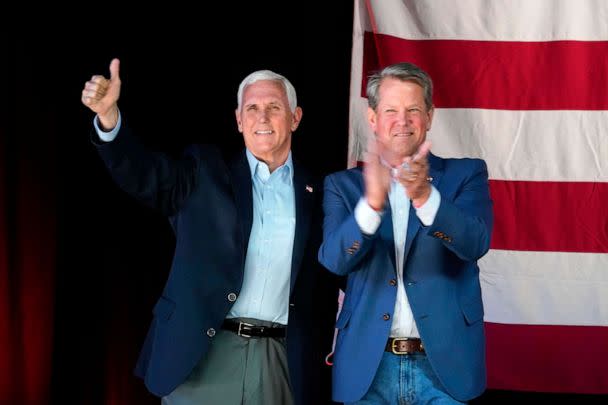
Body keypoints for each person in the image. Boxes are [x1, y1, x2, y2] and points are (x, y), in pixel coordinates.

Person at [81, 58, 339, 405]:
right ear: (238, 120)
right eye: (252, 108)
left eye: (274, 107)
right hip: (204, 351)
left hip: (280, 360)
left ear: (295, 118)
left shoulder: (320, 192)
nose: (262, 117)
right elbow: (145, 176)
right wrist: (110, 120)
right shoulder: (205, 172)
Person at [318, 62, 494, 404]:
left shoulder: (467, 174)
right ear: (373, 119)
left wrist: (426, 199)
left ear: (429, 116)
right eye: (391, 110)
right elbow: (334, 260)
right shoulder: (343, 186)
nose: (403, 120)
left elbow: (475, 243)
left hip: (445, 370)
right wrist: (370, 206)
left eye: (413, 109)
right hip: (368, 371)